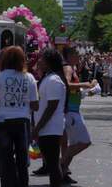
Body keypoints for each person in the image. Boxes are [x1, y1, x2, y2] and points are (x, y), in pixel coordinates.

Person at [0, 46, 39, 187]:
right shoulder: (29, 78)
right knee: (22, 160)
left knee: (5, 159)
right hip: (22, 122)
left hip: (3, 122)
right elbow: (35, 106)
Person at [60, 47, 97, 184]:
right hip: (70, 112)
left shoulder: (72, 68)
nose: (79, 57)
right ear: (70, 55)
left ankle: (63, 171)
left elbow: (73, 90)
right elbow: (67, 85)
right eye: (77, 54)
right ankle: (60, 164)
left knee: (75, 143)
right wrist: (86, 84)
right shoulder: (68, 68)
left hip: (73, 110)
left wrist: (85, 91)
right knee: (84, 141)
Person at [32, 49, 67, 187]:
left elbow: (52, 106)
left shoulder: (54, 80)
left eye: (42, 58)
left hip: (50, 128)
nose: (39, 61)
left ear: (48, 62)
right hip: (46, 128)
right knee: (51, 162)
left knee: (52, 163)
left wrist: (37, 127)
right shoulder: (48, 78)